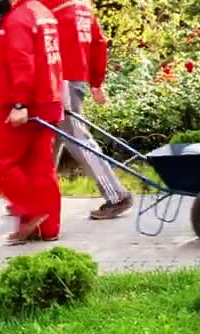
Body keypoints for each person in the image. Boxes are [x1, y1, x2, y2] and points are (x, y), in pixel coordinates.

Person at [40, 0, 132, 220]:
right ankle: (36, 199)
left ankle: (117, 195)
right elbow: (98, 42)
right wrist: (96, 81)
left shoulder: (48, 4)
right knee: (47, 139)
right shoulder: (82, 6)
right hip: (74, 77)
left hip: (61, 80)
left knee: (77, 139)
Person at [0, 0, 63, 245]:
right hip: (47, 99)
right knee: (39, 166)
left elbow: (22, 60)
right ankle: (47, 229)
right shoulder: (43, 13)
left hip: (23, 105)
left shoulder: (19, 18)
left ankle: (33, 209)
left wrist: (20, 103)